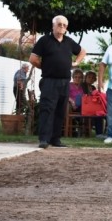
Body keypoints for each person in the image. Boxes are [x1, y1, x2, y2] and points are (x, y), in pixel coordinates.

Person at [29, 15, 86, 148]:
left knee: (60, 111)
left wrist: (76, 62)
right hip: (49, 81)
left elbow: (82, 51)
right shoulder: (45, 40)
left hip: (65, 82)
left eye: (64, 25)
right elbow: (33, 59)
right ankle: (44, 139)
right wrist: (45, 66)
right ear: (53, 26)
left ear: (66, 28)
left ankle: (55, 139)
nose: (61, 27)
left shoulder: (68, 41)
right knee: (47, 110)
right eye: (59, 24)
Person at [81, 70, 106, 138]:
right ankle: (98, 132)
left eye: (92, 78)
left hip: (92, 106)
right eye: (89, 77)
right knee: (97, 112)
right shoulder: (82, 85)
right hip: (83, 106)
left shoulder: (93, 87)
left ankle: (99, 133)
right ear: (85, 78)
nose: (91, 79)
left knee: (99, 112)